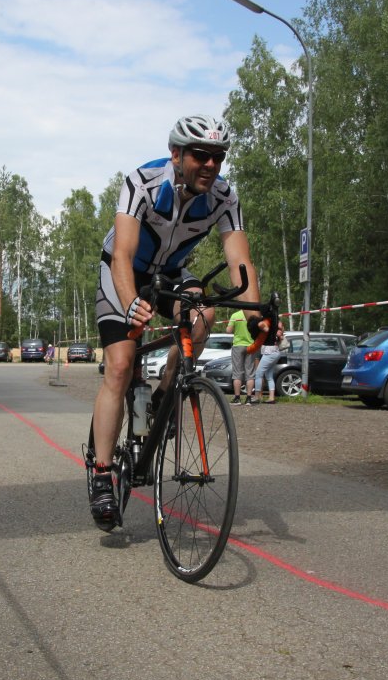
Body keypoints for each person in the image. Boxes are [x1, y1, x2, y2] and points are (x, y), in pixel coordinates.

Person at [86, 114, 262, 528]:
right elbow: (123, 254)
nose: (210, 164)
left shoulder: (224, 197)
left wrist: (257, 318)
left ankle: (167, 393)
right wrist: (130, 303)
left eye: (218, 157)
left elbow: (240, 261)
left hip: (170, 275)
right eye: (201, 155)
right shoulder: (142, 183)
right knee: (120, 365)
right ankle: (102, 474)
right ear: (176, 154)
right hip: (123, 272)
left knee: (204, 315)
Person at [225, 308, 257, 405]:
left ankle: (237, 398)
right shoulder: (253, 315)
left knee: (237, 373)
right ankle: (249, 398)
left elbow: (228, 330)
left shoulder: (235, 315)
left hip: (238, 345)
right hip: (251, 345)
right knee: (250, 373)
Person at [252, 319, 284, 404]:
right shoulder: (278, 330)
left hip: (269, 353)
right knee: (269, 376)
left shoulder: (270, 328)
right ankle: (271, 397)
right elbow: (281, 333)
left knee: (258, 374)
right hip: (275, 352)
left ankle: (257, 396)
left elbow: (260, 325)